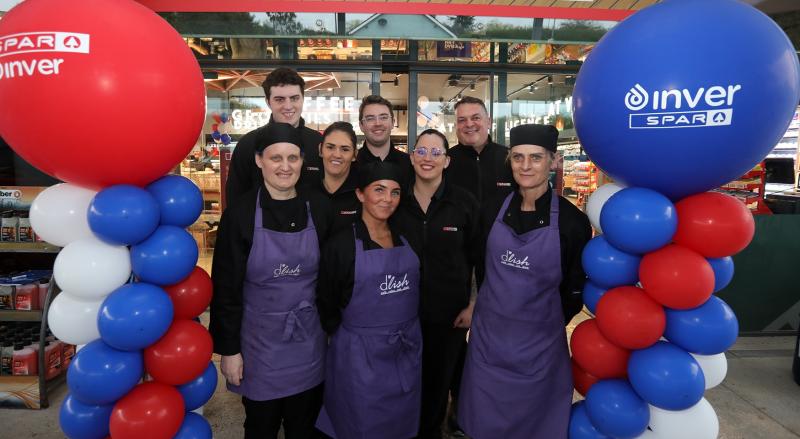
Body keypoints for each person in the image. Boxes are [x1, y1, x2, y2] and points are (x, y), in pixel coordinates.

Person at [457, 124, 592, 439]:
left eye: (535, 157)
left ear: (553, 161)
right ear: (510, 161)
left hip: (539, 346)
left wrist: (548, 321)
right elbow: (479, 263)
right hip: (489, 341)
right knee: (484, 421)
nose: (526, 166)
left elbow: (574, 286)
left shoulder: (573, 222)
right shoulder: (492, 208)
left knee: (535, 425)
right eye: (518, 157)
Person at [210, 122, 332, 439]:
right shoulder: (239, 214)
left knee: (303, 426)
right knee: (261, 426)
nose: (284, 166)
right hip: (258, 347)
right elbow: (225, 288)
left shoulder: (319, 208)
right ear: (259, 160)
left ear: (303, 162)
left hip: (309, 342)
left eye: (292, 158)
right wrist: (229, 351)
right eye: (276, 158)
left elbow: (331, 279)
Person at [315, 161, 422, 439]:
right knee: (359, 424)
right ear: (361, 194)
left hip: (404, 352)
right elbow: (326, 301)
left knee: (400, 422)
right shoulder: (341, 245)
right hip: (359, 358)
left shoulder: (407, 238)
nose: (388, 199)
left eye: (395, 192)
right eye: (380, 190)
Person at [392, 129, 480, 439]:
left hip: (449, 316)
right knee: (403, 384)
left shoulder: (464, 203)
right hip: (400, 315)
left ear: (447, 160)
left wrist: (472, 305)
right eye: (422, 152)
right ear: (412, 156)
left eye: (435, 153)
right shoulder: (396, 201)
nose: (428, 159)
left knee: (436, 388)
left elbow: (477, 258)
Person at [226, 67, 323, 204]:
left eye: (294, 98)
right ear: (268, 102)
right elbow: (235, 200)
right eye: (280, 99)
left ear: (303, 99)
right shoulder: (248, 144)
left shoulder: (319, 143)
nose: (288, 106)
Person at [446, 96, 513, 204]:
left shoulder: (509, 158)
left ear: (489, 122)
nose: (469, 124)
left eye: (476, 118)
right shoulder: (445, 161)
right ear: (456, 125)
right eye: (462, 120)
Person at [309, 121, 361, 235]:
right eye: (330, 147)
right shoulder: (307, 191)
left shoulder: (362, 195)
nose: (337, 155)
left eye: (345, 149)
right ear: (320, 150)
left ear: (354, 155)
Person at [356, 95, 413, 187]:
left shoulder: (410, 164)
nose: (378, 123)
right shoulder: (352, 165)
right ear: (361, 125)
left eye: (383, 117)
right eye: (370, 118)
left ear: (393, 122)